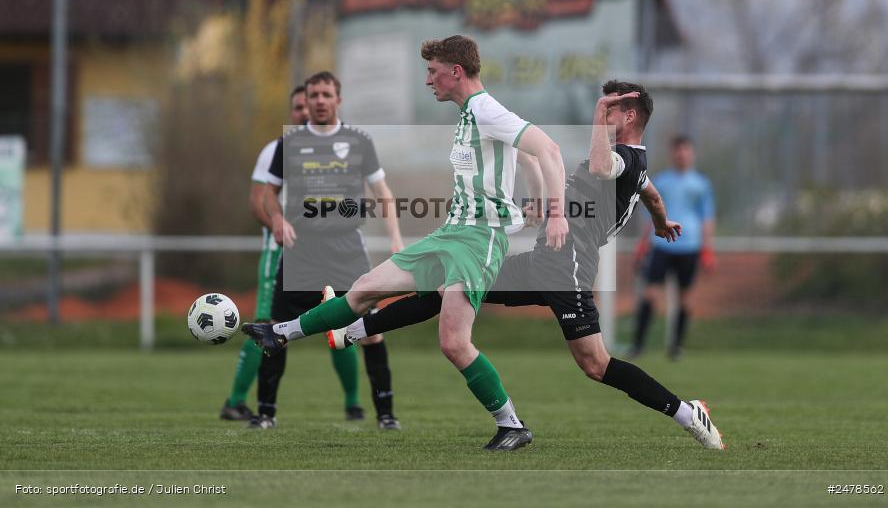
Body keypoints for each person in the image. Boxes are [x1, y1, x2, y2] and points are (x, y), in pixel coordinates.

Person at [325, 81, 726, 451]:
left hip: (568, 267)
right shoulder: (637, 166)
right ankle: (351, 331)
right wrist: (660, 222)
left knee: (595, 364)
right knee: (453, 286)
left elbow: (605, 169)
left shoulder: (622, 158)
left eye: (611, 108)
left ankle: (689, 414)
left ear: (630, 115)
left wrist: (597, 120)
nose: (603, 113)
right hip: (543, 261)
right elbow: (652, 195)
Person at [244, 35, 569, 451]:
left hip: (478, 240)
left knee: (453, 342)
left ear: (455, 71)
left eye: (432, 72)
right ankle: (280, 334)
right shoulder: (472, 113)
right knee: (364, 289)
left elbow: (549, 149)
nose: (428, 80)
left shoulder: (485, 109)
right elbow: (524, 156)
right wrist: (536, 199)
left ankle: (511, 425)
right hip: (451, 233)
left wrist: (555, 211)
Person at [249, 72, 406, 430]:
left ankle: (386, 415)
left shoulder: (359, 141)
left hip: (346, 248)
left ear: (338, 99)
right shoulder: (288, 143)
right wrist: (276, 220)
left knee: (371, 330)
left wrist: (395, 238)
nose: (319, 101)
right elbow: (268, 194)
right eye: (314, 95)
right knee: (276, 329)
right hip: (301, 248)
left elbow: (383, 193)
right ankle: (264, 414)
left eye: (326, 94)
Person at [219, 85, 310, 421]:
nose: (304, 111)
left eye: (310, 104)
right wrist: (279, 226)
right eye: (298, 106)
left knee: (341, 317)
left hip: (325, 254)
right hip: (280, 251)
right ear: (292, 112)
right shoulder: (276, 149)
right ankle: (237, 400)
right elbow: (258, 200)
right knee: (265, 324)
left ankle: (354, 405)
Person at [630, 135, 717, 360]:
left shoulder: (701, 184)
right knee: (650, 295)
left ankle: (676, 347)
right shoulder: (662, 181)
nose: (681, 155)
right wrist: (642, 245)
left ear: (691, 153)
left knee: (685, 298)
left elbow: (707, 219)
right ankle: (637, 345)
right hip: (661, 245)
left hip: (690, 246)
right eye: (677, 151)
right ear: (672, 153)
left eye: (685, 150)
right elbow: (651, 215)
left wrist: (707, 250)